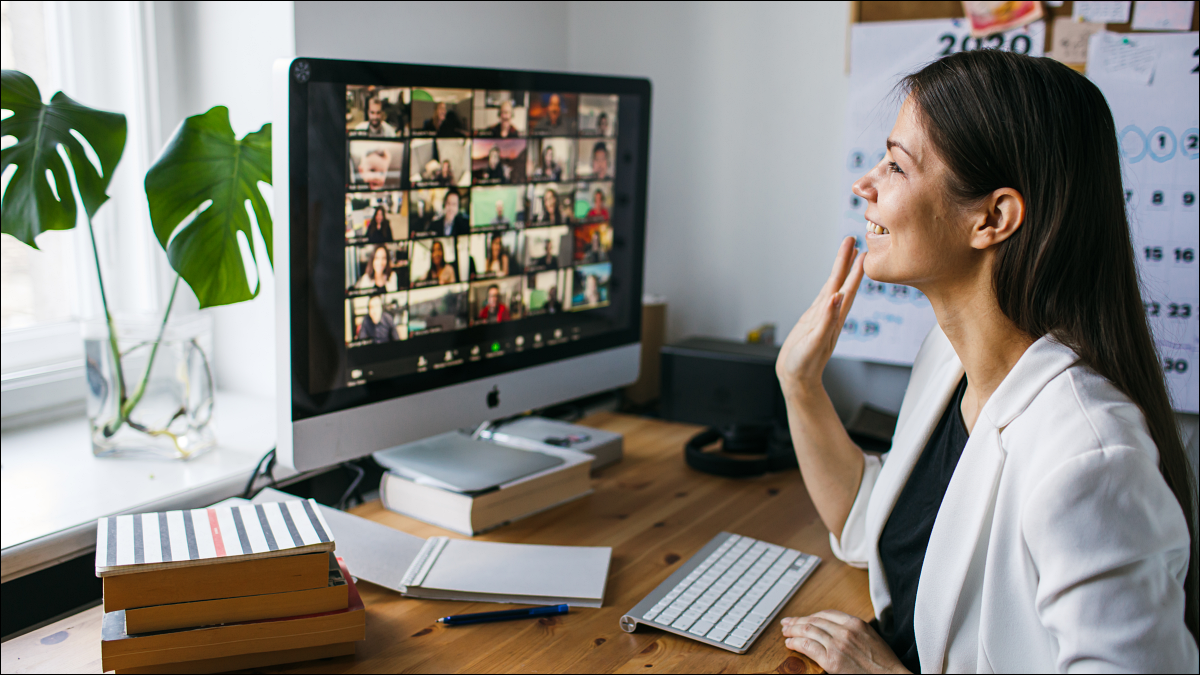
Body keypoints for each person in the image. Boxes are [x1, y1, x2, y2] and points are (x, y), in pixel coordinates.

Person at [773, 51, 1197, 674]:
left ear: (993, 218)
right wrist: (799, 383)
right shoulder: (947, 359)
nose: (866, 183)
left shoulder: (1091, 455)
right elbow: (875, 524)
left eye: (895, 164)